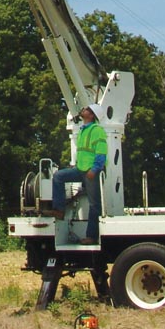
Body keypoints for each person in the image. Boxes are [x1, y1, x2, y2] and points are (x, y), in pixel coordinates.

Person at [44, 103, 108, 245]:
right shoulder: (83, 130)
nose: (83, 110)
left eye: (86, 109)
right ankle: (59, 210)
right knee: (59, 176)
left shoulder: (97, 130)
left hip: (91, 172)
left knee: (94, 205)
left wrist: (95, 169)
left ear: (91, 115)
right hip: (80, 169)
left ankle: (91, 237)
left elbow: (101, 153)